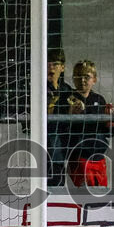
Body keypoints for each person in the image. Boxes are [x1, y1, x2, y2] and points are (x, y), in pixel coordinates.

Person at [66, 60, 114, 187]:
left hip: (99, 157)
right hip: (79, 157)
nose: (82, 80)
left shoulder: (99, 100)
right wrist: (70, 116)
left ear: (94, 79)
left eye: (86, 77)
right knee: (81, 197)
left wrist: (110, 122)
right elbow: (61, 129)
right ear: (73, 78)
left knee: (99, 197)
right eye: (78, 76)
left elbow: (108, 133)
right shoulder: (68, 98)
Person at [46, 48, 73, 188]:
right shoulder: (38, 89)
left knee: (57, 181)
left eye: (55, 64)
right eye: (48, 63)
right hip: (43, 144)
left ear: (62, 68)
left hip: (61, 146)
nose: (51, 67)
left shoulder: (67, 91)